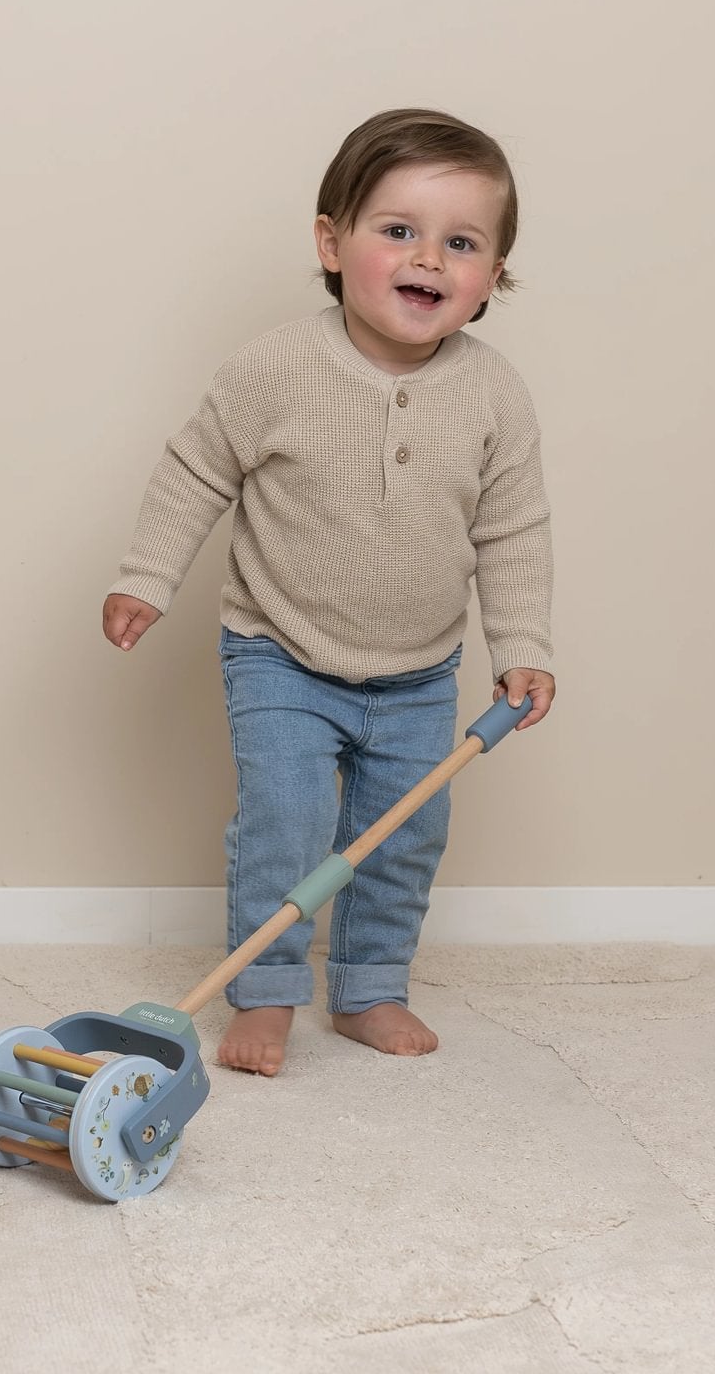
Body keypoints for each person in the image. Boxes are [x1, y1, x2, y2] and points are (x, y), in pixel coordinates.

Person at [103, 108, 556, 1076]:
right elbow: (194, 472)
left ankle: (369, 986)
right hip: (280, 651)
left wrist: (522, 646)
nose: (427, 258)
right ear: (331, 243)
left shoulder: (494, 396)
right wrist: (147, 577)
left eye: (461, 243)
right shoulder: (274, 368)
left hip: (419, 673)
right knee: (285, 823)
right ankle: (265, 990)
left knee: (404, 836)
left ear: (492, 277)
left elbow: (513, 528)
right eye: (398, 230)